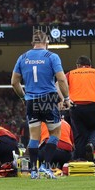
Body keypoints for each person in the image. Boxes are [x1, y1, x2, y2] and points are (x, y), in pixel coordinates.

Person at [11, 30, 71, 179]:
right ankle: (46, 166)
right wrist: (67, 98)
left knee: (34, 137)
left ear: (33, 43)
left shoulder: (22, 57)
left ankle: (33, 170)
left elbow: (14, 82)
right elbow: (62, 79)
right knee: (55, 133)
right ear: (47, 42)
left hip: (31, 100)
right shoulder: (52, 57)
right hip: (48, 99)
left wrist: (24, 97)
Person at [67, 56, 95, 161]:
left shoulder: (71, 73)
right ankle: (91, 144)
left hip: (75, 107)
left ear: (77, 66)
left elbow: (58, 84)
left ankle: (80, 159)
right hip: (92, 107)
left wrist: (66, 99)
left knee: (80, 134)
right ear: (90, 65)